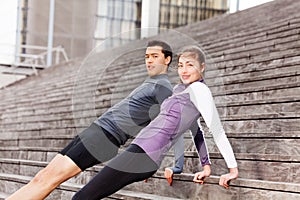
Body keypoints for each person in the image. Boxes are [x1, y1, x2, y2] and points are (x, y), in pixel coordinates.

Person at [7, 40, 188, 200]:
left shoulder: (164, 88)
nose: (149, 60)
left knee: (49, 180)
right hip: (95, 129)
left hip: (104, 138)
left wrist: (173, 164)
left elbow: (173, 126)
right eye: (147, 56)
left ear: (167, 59)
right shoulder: (150, 83)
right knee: (42, 176)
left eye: (155, 56)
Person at [71, 45, 238, 200]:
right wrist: (206, 166)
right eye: (180, 65)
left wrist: (232, 170)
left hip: (144, 155)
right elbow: (196, 130)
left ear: (202, 67)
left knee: (81, 197)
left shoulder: (200, 90)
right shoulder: (181, 89)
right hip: (139, 151)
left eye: (190, 65)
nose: (184, 71)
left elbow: (217, 130)